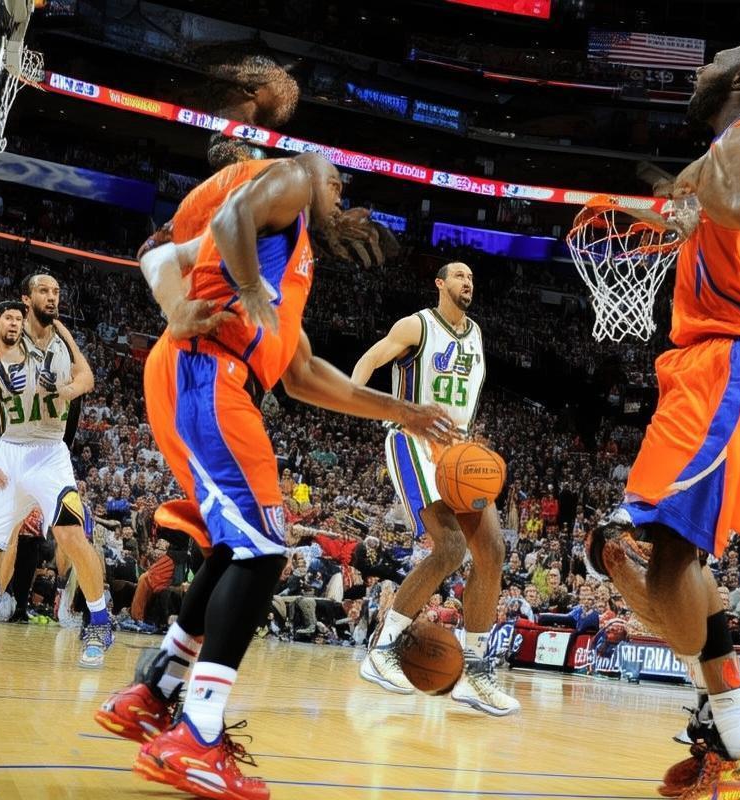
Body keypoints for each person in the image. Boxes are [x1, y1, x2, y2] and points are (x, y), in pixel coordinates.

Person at [93, 154, 456, 800]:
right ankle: (197, 735)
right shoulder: (294, 178)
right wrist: (250, 289)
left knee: (237, 547)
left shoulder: (292, 259)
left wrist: (404, 412)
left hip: (204, 378)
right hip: (210, 374)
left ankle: (154, 690)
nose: (339, 196)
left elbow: (305, 375)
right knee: (262, 550)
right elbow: (231, 217)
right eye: (337, 185)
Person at [587, 39, 740, 799]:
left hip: (738, 358)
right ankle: (732, 741)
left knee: (656, 560)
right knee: (663, 555)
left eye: (713, 62)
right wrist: (666, 203)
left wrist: (690, 177)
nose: (698, 71)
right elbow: (726, 225)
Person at [350, 261, 518, 716]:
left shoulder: (476, 334)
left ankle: (475, 671)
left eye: (473, 277)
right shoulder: (417, 325)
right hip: (413, 438)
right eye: (460, 276)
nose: (469, 282)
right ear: (440, 283)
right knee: (450, 547)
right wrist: (351, 395)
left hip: (457, 450)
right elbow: (372, 358)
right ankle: (384, 649)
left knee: (493, 550)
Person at [0, 290, 106, 665]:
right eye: (43, 292)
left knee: (70, 535)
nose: (52, 297)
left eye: (56, 293)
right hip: (9, 448)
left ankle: (98, 622)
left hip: (51, 452)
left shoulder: (59, 339)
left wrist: (71, 387)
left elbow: (86, 377)